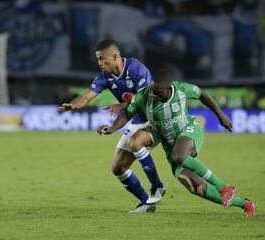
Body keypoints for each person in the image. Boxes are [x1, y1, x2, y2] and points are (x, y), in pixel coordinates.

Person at [98, 68, 257, 217]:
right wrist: (112, 129)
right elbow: (127, 114)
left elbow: (202, 95)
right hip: (170, 146)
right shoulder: (143, 96)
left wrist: (221, 116)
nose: (153, 94)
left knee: (179, 155)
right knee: (197, 188)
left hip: (188, 131)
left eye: (158, 92)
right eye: (152, 90)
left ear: (169, 89)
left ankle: (224, 187)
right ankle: (245, 204)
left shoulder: (182, 90)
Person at [58, 39, 165, 213]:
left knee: (135, 142)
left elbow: (145, 98)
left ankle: (158, 186)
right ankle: (147, 203)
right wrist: (73, 105)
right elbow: (86, 96)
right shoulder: (105, 77)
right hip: (136, 119)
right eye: (98, 59)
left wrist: (121, 106)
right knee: (118, 167)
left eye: (102, 59)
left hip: (155, 117)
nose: (99, 63)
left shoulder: (136, 68)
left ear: (115, 57)